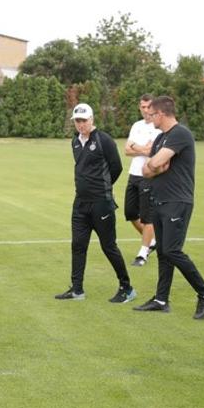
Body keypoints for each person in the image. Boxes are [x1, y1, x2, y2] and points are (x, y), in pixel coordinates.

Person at [134, 95, 204, 318]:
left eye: (151, 113)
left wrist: (156, 166)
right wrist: (157, 167)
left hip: (177, 201)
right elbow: (146, 168)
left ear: (161, 113)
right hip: (160, 200)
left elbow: (152, 163)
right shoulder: (162, 137)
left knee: (172, 250)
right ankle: (161, 299)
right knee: (163, 252)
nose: (149, 117)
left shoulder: (180, 133)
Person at [55, 103, 134, 303]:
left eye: (83, 121)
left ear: (92, 120)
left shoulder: (104, 140)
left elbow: (116, 167)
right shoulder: (74, 141)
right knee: (78, 245)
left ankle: (126, 288)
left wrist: (102, 187)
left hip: (102, 203)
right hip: (80, 203)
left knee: (108, 246)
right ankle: (77, 289)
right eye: (77, 121)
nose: (80, 125)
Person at [123, 94, 158, 266]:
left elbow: (151, 151)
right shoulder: (137, 125)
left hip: (149, 175)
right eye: (142, 106)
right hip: (133, 174)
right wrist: (142, 149)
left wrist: (136, 147)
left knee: (147, 216)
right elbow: (126, 150)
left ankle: (143, 253)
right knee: (130, 213)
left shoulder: (158, 127)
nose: (145, 110)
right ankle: (152, 241)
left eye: (148, 106)